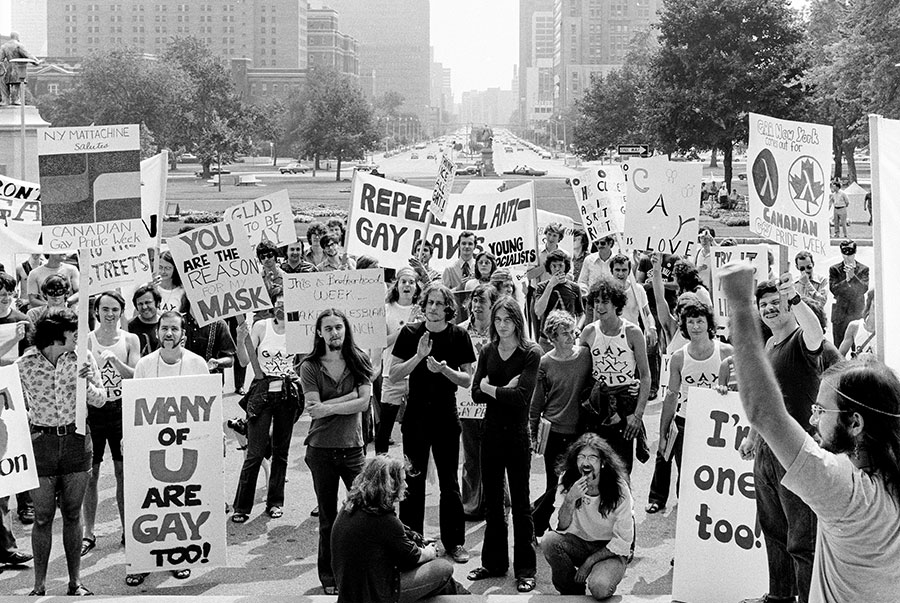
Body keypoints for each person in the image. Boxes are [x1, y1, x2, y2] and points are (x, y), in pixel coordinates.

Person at [719, 262, 900, 603]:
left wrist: (739, 306)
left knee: (799, 542)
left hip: (792, 457)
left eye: (821, 411)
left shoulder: (844, 491)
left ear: (855, 423)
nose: (814, 420)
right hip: (772, 456)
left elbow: (764, 412)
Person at [738, 275, 842, 603]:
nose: (768, 309)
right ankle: (779, 597)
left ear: (790, 307)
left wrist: (795, 298)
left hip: (797, 452)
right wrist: (753, 436)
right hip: (767, 452)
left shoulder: (803, 341)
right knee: (774, 531)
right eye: (763, 304)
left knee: (802, 539)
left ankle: (806, 598)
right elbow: (765, 396)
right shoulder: (768, 346)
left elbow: (816, 332)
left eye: (775, 303)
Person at [17, 309, 105, 596]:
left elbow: (101, 400)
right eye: (73, 332)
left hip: (77, 442)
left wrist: (87, 382)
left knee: (71, 514)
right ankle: (39, 586)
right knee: (42, 516)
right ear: (57, 335)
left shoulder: (83, 358)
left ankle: (74, 582)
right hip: (41, 444)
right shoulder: (25, 364)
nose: (79, 337)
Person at [390, 283, 475, 565]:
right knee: (412, 480)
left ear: (448, 308)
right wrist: (419, 356)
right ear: (423, 305)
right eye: (430, 303)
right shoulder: (410, 333)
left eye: (440, 303)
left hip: (446, 415)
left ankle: (455, 542)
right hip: (415, 414)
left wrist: (444, 370)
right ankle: (412, 541)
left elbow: (467, 379)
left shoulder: (459, 335)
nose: (435, 308)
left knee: (450, 481)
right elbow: (393, 375)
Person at [467, 296, 542, 593]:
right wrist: (497, 389)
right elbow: (474, 393)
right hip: (491, 433)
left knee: (521, 503)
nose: (501, 325)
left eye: (507, 320)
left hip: (518, 436)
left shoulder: (531, 353)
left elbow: (522, 396)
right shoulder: (487, 350)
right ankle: (494, 562)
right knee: (494, 502)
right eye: (497, 320)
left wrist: (489, 388)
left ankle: (526, 568)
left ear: (517, 321)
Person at [129, 310, 208, 585]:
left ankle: (181, 557)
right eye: (164, 329)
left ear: (183, 334)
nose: (169, 334)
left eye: (174, 329)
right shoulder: (145, 365)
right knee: (148, 501)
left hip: (187, 446)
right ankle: (142, 561)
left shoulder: (198, 364)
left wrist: (216, 437)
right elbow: (136, 408)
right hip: (151, 447)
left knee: (181, 503)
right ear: (157, 332)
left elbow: (207, 408)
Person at [299, 309, 372, 595]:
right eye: (328, 328)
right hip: (321, 451)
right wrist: (350, 397)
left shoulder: (359, 359)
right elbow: (312, 406)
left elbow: (364, 403)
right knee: (328, 519)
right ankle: (329, 576)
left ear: (346, 329)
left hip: (353, 449)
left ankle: (363, 572)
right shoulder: (310, 366)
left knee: (364, 514)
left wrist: (329, 407)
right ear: (319, 333)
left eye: (338, 327)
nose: (334, 333)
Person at [331, 456, 465, 603]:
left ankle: (463, 596)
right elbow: (415, 556)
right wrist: (430, 551)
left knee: (444, 585)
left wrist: (416, 540)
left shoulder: (353, 506)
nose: (406, 485)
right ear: (390, 485)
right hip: (375, 594)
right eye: (403, 480)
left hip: (353, 589)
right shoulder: (384, 521)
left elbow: (392, 539)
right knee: (443, 568)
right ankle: (467, 598)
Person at [646, 299, 732, 513]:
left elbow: (738, 388)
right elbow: (671, 396)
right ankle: (657, 498)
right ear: (684, 325)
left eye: (700, 321)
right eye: (690, 322)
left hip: (715, 421)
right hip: (685, 418)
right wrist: (664, 430)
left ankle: (699, 503)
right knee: (665, 454)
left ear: (709, 324)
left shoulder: (725, 352)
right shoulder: (679, 357)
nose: (695, 326)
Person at [232, 289, 300, 523]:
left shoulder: (299, 329)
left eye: (287, 303)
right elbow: (242, 360)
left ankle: (275, 503)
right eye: (279, 303)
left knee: (281, 452)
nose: (282, 307)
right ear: (272, 305)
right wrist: (241, 339)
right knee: (255, 452)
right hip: (262, 393)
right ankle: (241, 507)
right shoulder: (262, 327)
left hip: (287, 394)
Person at [541, 433, 635, 600]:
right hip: (580, 543)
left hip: (611, 549)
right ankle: (572, 590)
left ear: (603, 462)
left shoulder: (619, 487)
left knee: (599, 587)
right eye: (581, 457)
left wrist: (589, 562)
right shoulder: (568, 479)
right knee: (549, 541)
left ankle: (599, 573)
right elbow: (559, 527)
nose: (586, 462)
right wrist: (570, 499)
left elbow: (623, 540)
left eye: (592, 457)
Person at [82, 292, 140, 559]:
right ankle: (89, 533)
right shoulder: (86, 340)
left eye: (114, 309)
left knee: (123, 473)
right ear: (96, 311)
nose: (109, 314)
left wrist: (116, 362)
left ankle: (128, 529)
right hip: (93, 412)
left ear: (121, 311)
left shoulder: (131, 340)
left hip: (120, 410)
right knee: (91, 475)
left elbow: (136, 376)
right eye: (104, 309)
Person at [579, 277, 651, 474]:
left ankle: (625, 505)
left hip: (624, 407)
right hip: (597, 406)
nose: (599, 306)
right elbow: (579, 372)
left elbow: (645, 376)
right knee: (593, 467)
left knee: (622, 468)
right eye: (596, 301)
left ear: (616, 304)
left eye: (605, 301)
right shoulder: (588, 332)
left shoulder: (632, 332)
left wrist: (638, 415)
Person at [530, 309, 593, 535]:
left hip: (579, 431)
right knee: (552, 484)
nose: (570, 336)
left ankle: (571, 526)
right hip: (554, 430)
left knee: (575, 481)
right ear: (552, 338)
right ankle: (536, 525)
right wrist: (532, 432)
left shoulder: (585, 355)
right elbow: (536, 402)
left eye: (571, 331)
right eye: (563, 333)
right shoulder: (545, 363)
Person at [457, 283, 499, 519]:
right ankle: (471, 504)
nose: (477, 305)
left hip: (494, 399)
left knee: (495, 452)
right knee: (472, 454)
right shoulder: (461, 331)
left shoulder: (501, 331)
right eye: (474, 300)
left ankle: (497, 500)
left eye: (482, 301)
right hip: (467, 401)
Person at [0, 272, 33, 566]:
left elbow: (32, 359)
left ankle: (7, 545)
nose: (2, 298)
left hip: (12, 402)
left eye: (6, 293)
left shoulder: (22, 321)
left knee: (11, 468)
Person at [376, 268, 421, 454]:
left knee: (413, 428)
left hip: (416, 376)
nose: (407, 285)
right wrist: (406, 328)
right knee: (385, 425)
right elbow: (381, 343)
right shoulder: (386, 309)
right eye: (403, 281)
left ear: (416, 287)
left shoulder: (422, 310)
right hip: (391, 374)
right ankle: (380, 467)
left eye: (411, 282)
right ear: (397, 285)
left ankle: (411, 469)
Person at [533, 250, 584, 351]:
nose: (557, 269)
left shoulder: (574, 288)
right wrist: (550, 286)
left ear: (566, 266)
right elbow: (538, 311)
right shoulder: (541, 287)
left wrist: (578, 327)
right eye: (554, 266)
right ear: (549, 267)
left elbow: (581, 313)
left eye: (560, 265)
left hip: (567, 338)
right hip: (547, 339)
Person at [608, 254, 657, 350]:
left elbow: (647, 313)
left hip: (633, 337)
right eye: (617, 270)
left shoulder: (638, 289)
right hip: (611, 337)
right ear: (612, 271)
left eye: (624, 270)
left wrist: (651, 328)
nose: (621, 274)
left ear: (629, 271)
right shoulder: (606, 290)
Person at [828, 239, 869, 346]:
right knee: (838, 346)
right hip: (840, 313)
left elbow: (863, 288)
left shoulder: (863, 269)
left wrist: (853, 277)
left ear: (855, 252)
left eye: (850, 252)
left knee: (858, 345)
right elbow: (834, 289)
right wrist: (846, 280)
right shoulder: (834, 269)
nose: (847, 256)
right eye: (844, 252)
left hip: (856, 312)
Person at [0, 32, 40, 105]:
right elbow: (27, 54)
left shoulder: (4, 46)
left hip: (7, 67)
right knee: (16, 84)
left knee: (6, 84)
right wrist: (36, 61)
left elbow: (0, 58)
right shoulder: (19, 45)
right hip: (18, 67)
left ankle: (5, 100)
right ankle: (15, 100)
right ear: (17, 37)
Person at [838, 289, 876, 359]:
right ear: (870, 302)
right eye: (875, 301)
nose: (877, 305)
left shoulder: (887, 332)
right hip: (859, 368)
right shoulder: (855, 327)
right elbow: (840, 355)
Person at [128, 284, 162, 357]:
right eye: (140, 304)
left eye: (148, 302)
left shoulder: (166, 324)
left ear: (158, 303)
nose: (144, 307)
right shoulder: (128, 327)